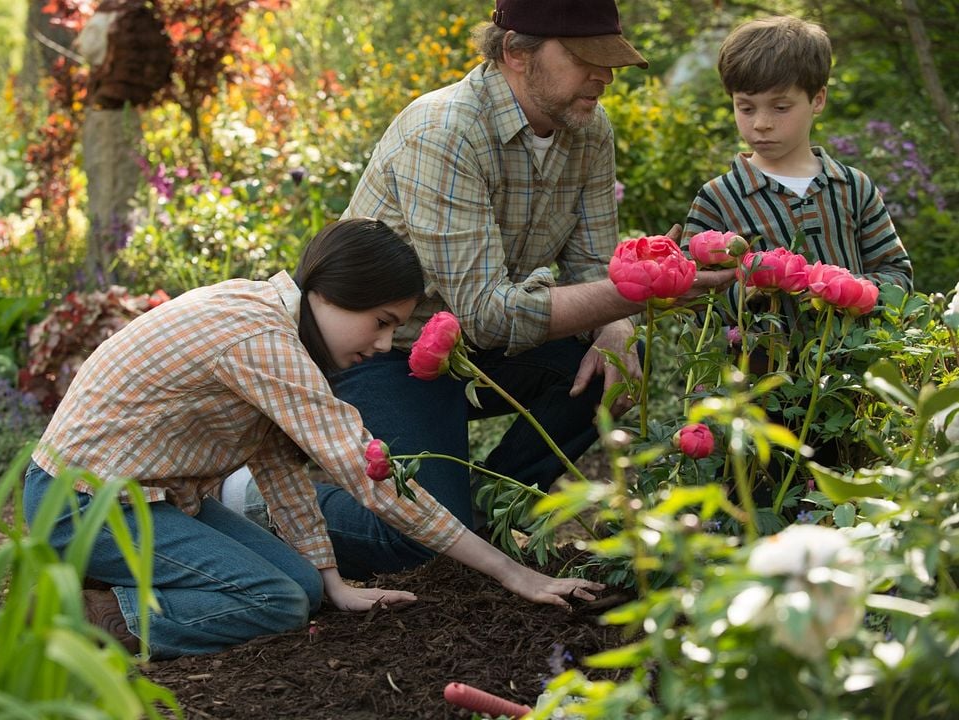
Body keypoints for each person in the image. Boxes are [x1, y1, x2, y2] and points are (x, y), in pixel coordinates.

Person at [23, 218, 602, 660]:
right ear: (332, 291)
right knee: (274, 603)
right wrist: (513, 573)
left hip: (141, 498)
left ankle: (113, 575)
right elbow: (365, 475)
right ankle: (94, 616)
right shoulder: (260, 339)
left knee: (302, 587)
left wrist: (333, 581)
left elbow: (279, 467)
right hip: (81, 504)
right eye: (380, 321)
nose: (382, 346)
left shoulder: (276, 325)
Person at [300, 0, 736, 579]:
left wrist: (621, 325)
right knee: (414, 547)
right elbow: (482, 314)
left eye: (610, 61)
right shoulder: (445, 129)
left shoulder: (588, 130)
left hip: (476, 345)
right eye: (586, 58)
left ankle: (481, 519)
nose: (604, 76)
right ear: (515, 52)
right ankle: (262, 502)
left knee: (609, 364)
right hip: (389, 350)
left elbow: (589, 269)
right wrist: (638, 294)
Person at [684, 15, 913, 321]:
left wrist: (845, 290)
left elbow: (898, 275)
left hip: (854, 365)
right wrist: (753, 288)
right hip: (757, 366)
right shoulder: (718, 198)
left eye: (780, 107)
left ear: (818, 99)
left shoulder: (853, 188)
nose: (761, 124)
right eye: (746, 107)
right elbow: (690, 300)